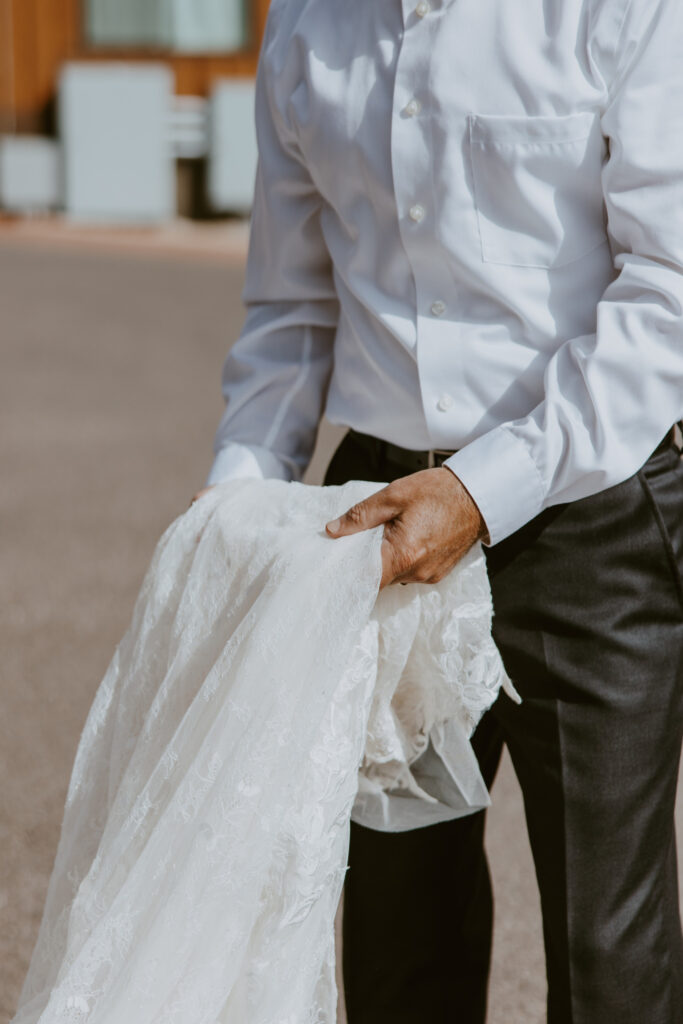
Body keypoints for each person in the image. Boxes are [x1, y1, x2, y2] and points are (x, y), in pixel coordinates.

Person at [195, 1, 683, 1020]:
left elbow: (666, 293)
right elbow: (292, 307)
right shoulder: (305, 25)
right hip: (375, 526)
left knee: (608, 954)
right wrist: (237, 510)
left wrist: (477, 488)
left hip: (588, 514)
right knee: (395, 932)